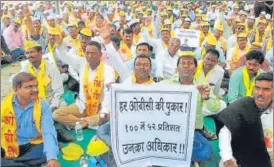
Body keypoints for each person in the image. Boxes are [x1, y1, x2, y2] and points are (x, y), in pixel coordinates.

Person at [161, 51, 222, 165]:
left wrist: (207, 98)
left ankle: (176, 156)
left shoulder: (202, 86)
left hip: (191, 131)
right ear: (177, 68)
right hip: (169, 129)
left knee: (206, 152)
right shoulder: (165, 84)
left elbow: (215, 108)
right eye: (182, 63)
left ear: (195, 68)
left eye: (190, 63)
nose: (186, 66)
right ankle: (185, 158)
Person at [1, 72, 60, 167]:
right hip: (11, 143)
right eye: (29, 87)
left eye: (36, 86)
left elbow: (48, 132)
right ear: (16, 89)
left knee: (48, 152)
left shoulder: (43, 105)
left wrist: (52, 158)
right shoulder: (4, 106)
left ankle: (13, 163)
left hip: (34, 144)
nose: (35, 90)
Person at [53, 40, 115, 129]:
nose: (90, 56)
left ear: (100, 55)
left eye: (93, 53)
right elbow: (65, 56)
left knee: (106, 117)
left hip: (99, 107)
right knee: (56, 114)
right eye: (87, 53)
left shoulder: (108, 70)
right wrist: (59, 44)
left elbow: (109, 93)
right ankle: (85, 122)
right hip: (82, 105)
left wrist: (104, 110)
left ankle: (77, 122)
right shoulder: (82, 64)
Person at [217, 72, 273, 167]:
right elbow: (225, 132)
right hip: (240, 155)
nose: (260, 93)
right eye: (257, 88)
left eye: (266, 89)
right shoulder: (243, 105)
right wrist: (228, 159)